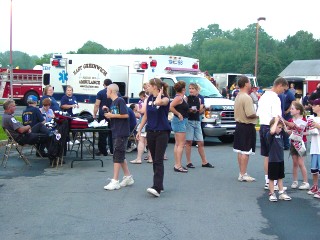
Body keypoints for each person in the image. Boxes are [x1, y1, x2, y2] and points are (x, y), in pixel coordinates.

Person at [136, 78, 171, 197]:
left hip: (162, 132)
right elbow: (146, 114)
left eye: (149, 86)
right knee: (154, 160)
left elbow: (159, 103)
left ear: (155, 87)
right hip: (151, 131)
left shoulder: (165, 98)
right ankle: (159, 185)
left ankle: (156, 187)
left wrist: (159, 95)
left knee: (158, 160)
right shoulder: (149, 98)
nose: (147, 88)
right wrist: (140, 129)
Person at [257, 77, 288, 190]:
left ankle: (267, 181)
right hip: (271, 128)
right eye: (283, 89)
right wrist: (287, 125)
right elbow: (277, 117)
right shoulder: (275, 98)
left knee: (266, 155)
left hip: (262, 126)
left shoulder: (263, 96)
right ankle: (274, 182)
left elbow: (258, 113)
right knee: (273, 155)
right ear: (279, 85)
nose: (283, 92)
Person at [103, 84, 134, 190]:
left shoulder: (120, 100)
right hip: (116, 131)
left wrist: (112, 115)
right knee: (120, 155)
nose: (106, 91)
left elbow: (125, 115)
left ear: (111, 91)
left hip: (121, 132)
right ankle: (128, 176)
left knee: (117, 155)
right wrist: (109, 114)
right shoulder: (113, 103)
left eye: (107, 90)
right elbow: (117, 116)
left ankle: (115, 180)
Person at [233, 76, 258, 182]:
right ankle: (243, 174)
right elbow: (250, 114)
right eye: (249, 82)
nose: (251, 84)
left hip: (239, 125)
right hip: (247, 126)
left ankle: (241, 172)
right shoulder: (247, 98)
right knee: (246, 151)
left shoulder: (238, 96)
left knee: (240, 150)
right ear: (246, 84)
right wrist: (258, 114)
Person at [185, 83, 214, 169]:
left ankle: (204, 162)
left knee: (200, 142)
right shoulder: (187, 98)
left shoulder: (200, 98)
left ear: (197, 90)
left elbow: (200, 112)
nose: (191, 90)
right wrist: (189, 110)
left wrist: (205, 108)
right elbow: (185, 110)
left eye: (193, 88)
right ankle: (188, 162)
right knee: (189, 142)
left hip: (197, 121)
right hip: (189, 121)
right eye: (189, 88)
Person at [267, 117, 292, 202]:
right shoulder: (270, 135)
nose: (280, 129)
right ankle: (272, 193)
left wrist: (283, 123)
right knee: (272, 178)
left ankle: (281, 193)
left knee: (280, 177)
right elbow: (272, 131)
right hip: (273, 160)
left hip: (280, 159)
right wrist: (276, 121)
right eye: (279, 127)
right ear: (273, 126)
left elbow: (287, 132)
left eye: (281, 128)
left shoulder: (281, 134)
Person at [287, 102, 309, 190]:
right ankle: (295, 181)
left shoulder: (304, 120)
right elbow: (288, 130)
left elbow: (308, 132)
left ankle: (305, 182)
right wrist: (288, 131)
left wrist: (301, 133)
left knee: (301, 162)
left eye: (292, 109)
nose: (290, 110)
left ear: (298, 111)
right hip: (293, 142)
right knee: (295, 162)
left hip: (301, 143)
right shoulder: (290, 121)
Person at [169, 80, 189, 173]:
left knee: (178, 144)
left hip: (179, 121)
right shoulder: (179, 98)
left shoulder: (180, 97)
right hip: (179, 121)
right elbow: (170, 106)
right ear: (183, 89)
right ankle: (178, 165)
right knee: (181, 144)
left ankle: (177, 164)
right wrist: (178, 114)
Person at [93, 79, 113, 156]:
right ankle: (112, 150)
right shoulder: (116, 93)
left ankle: (103, 151)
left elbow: (97, 104)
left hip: (103, 115)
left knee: (102, 133)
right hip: (113, 115)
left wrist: (94, 114)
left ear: (104, 84)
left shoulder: (100, 93)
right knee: (112, 133)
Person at [308, 98, 320, 198]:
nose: (312, 107)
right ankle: (315, 186)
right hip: (314, 147)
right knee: (314, 169)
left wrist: (317, 126)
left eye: (314, 105)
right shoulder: (313, 118)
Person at [278, 85, 296, 150]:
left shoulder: (289, 93)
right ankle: (283, 143)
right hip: (282, 113)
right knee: (281, 128)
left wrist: (288, 110)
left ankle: (286, 144)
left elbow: (293, 101)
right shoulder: (282, 93)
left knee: (286, 129)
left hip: (286, 115)